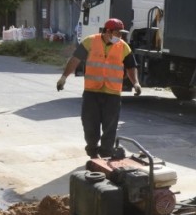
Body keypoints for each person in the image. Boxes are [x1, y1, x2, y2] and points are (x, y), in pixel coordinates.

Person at [57, 18, 141, 159]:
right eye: (117, 33)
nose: (119, 36)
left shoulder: (123, 46)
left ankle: (106, 154)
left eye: (121, 34)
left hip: (112, 93)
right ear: (107, 31)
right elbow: (75, 59)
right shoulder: (90, 41)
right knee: (90, 125)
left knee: (110, 127)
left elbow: (131, 67)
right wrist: (64, 77)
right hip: (92, 92)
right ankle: (92, 151)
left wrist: (136, 83)